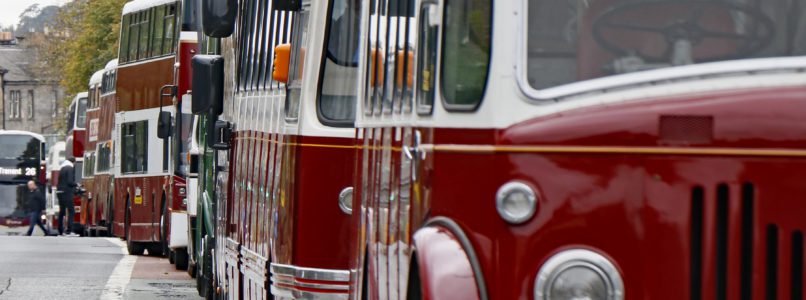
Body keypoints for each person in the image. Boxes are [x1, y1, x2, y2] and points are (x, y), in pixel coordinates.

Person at [57, 157, 78, 236]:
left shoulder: (62, 168)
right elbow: (69, 182)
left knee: (62, 212)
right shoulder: (69, 168)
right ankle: (70, 230)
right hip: (66, 192)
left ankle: (60, 230)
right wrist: (76, 184)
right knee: (71, 211)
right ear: (73, 162)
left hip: (59, 191)